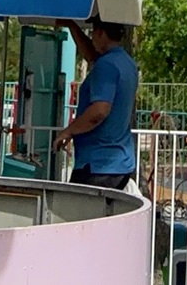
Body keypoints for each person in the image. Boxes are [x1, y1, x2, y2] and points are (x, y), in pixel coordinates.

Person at [53, 18, 138, 189]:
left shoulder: (106, 65)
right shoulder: (126, 62)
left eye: (93, 33)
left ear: (100, 32)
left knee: (79, 214)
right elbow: (92, 55)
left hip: (97, 165)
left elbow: (100, 111)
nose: (92, 39)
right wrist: (72, 26)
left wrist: (68, 131)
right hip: (120, 163)